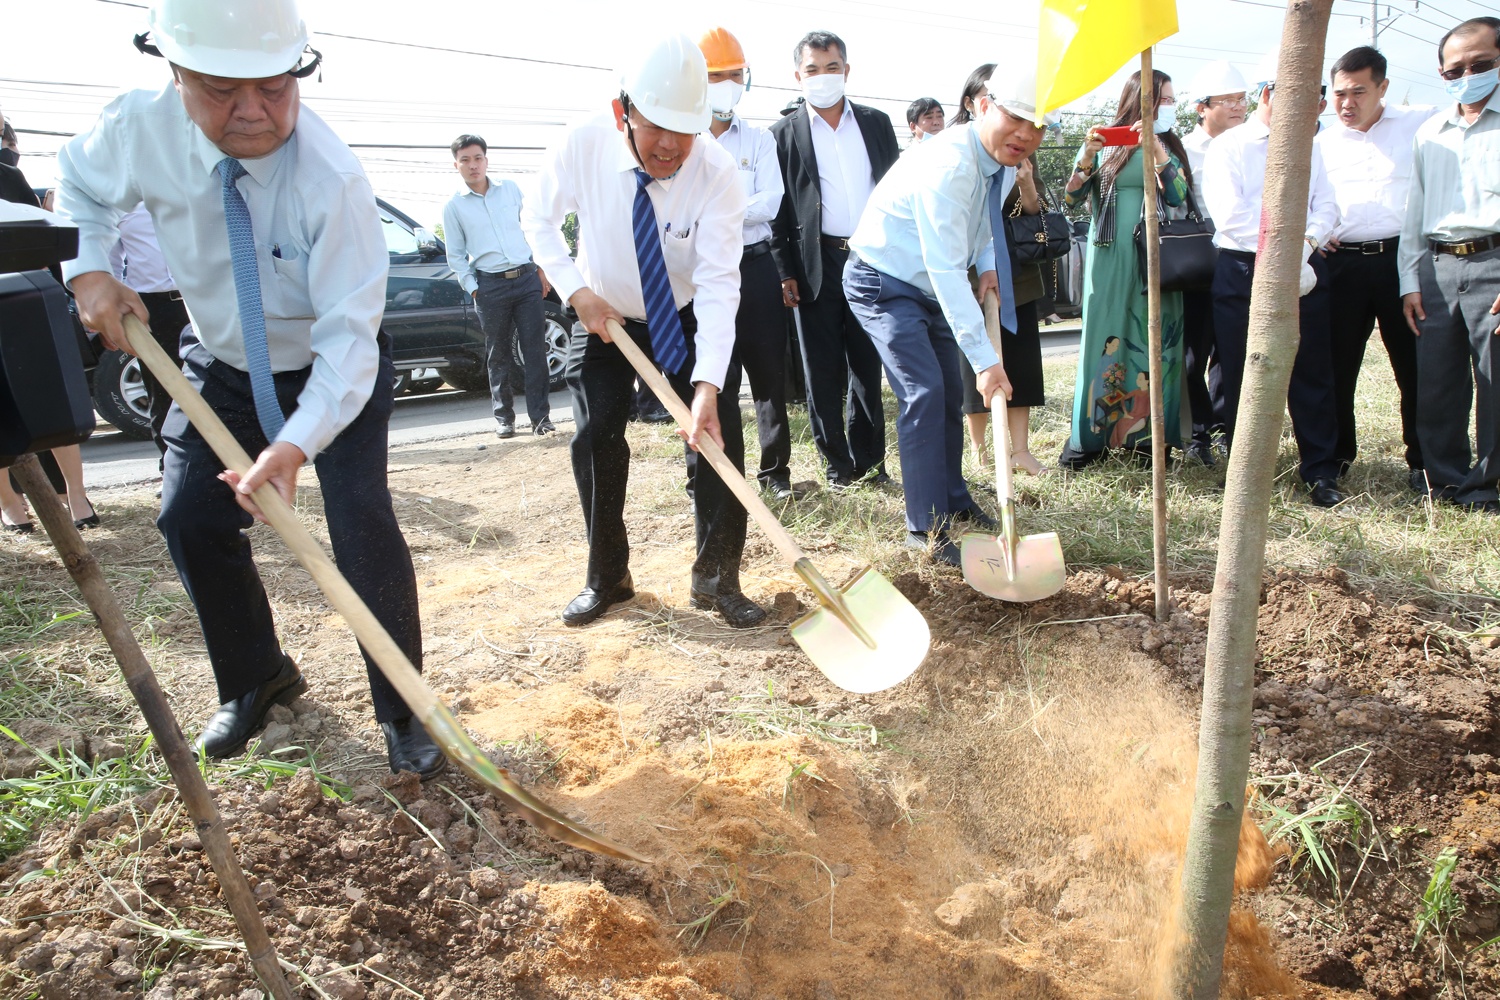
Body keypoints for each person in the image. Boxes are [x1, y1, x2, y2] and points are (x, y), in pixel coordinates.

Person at [55, 0, 442, 777]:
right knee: (189, 519)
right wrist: (89, 266)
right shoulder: (138, 128)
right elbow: (80, 188)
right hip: (221, 357)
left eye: (273, 88)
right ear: (174, 75)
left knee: (361, 527)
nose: (253, 113)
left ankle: (406, 710)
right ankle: (256, 679)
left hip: (331, 370)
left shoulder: (331, 179)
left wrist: (297, 442)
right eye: (221, 91)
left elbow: (348, 342)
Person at [521, 33, 766, 629]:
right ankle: (608, 577)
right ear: (621, 112)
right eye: (656, 125)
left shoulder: (716, 170)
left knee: (715, 436)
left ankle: (716, 579)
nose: (670, 145)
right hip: (605, 317)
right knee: (597, 437)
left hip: (682, 317)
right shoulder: (582, 145)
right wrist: (576, 289)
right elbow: (537, 217)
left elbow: (717, 283)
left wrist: (708, 383)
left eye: (686, 128)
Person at [844, 59, 1053, 564]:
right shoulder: (949, 165)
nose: (1025, 134)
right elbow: (942, 265)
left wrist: (985, 265)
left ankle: (952, 496)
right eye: (1016, 118)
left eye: (1039, 126)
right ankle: (925, 529)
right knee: (925, 391)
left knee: (947, 394)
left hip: (930, 284)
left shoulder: (1002, 162)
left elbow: (980, 225)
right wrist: (985, 360)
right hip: (883, 279)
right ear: (983, 106)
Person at [1201, 67, 1343, 506]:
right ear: (1267, 94)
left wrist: (1304, 247)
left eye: (1317, 100)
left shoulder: (1311, 148)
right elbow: (1232, 217)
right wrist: (1286, 251)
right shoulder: (1229, 147)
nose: (1311, 110)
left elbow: (1328, 206)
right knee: (1244, 372)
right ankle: (1245, 473)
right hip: (1244, 269)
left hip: (1303, 266)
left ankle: (1320, 472)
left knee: (1312, 369)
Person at [770, 30, 900, 490]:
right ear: (797, 76)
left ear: (847, 70)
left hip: (872, 259)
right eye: (812, 70)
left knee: (868, 366)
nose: (823, 77)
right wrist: (785, 270)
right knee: (821, 370)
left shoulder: (877, 124)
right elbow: (778, 210)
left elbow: (895, 192)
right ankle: (837, 466)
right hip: (814, 265)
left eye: (831, 67)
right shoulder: (781, 135)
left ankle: (870, 463)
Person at [1060, 69, 1191, 468]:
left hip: (1156, 257)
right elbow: (1071, 197)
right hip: (1109, 257)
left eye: (1170, 100)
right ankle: (1091, 439)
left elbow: (1180, 194)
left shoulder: (1168, 144)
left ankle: (1151, 441)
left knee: (1156, 340)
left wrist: (1156, 152)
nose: (1169, 107)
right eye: (1163, 100)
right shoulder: (1105, 146)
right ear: (1141, 101)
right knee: (1104, 337)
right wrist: (1086, 155)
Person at [1316, 46, 1433, 491]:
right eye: (1340, 93)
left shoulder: (1420, 126)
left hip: (1402, 263)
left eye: (1359, 92)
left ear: (1383, 87)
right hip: (1341, 264)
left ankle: (1423, 461)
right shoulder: (1321, 142)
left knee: (1413, 365)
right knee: (1337, 366)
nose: (1347, 103)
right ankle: (1337, 456)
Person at [1399, 16, 1500, 514]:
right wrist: (1408, 282)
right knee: (1437, 381)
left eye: (1480, 64)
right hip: (1437, 269)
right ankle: (1445, 479)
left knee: (1494, 377)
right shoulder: (1430, 132)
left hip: (1495, 264)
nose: (1467, 75)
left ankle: (1486, 485)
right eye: (1454, 69)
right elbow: (1414, 212)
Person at [698, 27, 802, 502]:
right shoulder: (684, 141)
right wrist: (736, 202)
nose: (727, 84)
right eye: (716, 76)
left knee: (767, 376)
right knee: (709, 374)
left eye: (735, 75)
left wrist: (714, 209)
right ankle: (712, 473)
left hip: (755, 267)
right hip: (700, 272)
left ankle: (774, 474)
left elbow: (772, 201)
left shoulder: (759, 140)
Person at [948, 64, 1048, 476]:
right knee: (973, 359)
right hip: (967, 268)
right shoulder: (956, 154)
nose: (1022, 127)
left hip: (1012, 268)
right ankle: (980, 449)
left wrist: (1024, 184)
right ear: (977, 103)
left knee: (1019, 355)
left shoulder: (1020, 152)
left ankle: (1019, 448)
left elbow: (1035, 213)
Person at [442, 134, 553, 439]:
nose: (473, 165)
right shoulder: (453, 207)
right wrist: (474, 288)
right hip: (490, 287)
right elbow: (455, 255)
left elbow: (532, 228)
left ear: (486, 160)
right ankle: (504, 418)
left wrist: (541, 267)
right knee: (498, 354)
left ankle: (541, 418)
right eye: (465, 160)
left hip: (526, 279)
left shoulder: (511, 190)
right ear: (456, 165)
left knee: (535, 351)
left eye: (477, 158)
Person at [1179, 59, 1249, 463]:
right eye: (1227, 101)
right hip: (1197, 261)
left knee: (1232, 351)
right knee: (1193, 351)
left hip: (1240, 258)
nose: (1238, 108)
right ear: (1202, 107)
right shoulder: (1183, 150)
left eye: (1242, 100)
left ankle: (1227, 428)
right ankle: (1197, 432)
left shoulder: (1256, 144)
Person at [110, 204, 192, 460]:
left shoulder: (183, 187)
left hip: (197, 298)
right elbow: (110, 259)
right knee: (161, 390)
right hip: (151, 305)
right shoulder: (121, 201)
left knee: (216, 382)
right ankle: (169, 465)